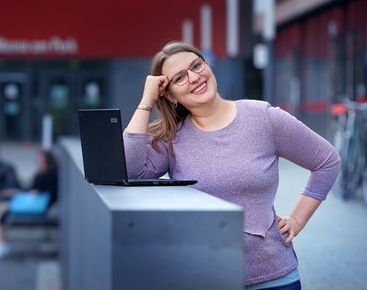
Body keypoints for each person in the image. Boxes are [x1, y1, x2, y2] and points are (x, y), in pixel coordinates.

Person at [123, 41, 341, 289]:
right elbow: (132, 170)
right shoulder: (172, 138)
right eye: (180, 78)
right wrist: (146, 100)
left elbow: (327, 160)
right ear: (170, 94)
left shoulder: (263, 117)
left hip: (273, 278)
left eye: (196, 65)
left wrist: (297, 220)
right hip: (203, 278)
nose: (194, 77)